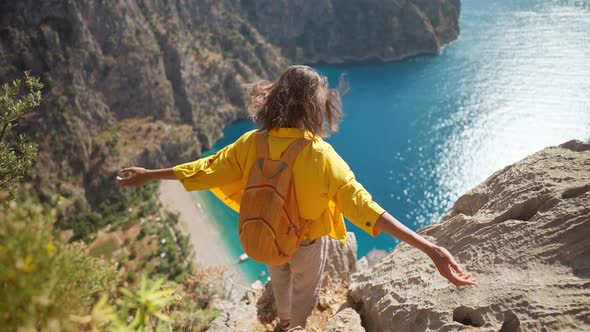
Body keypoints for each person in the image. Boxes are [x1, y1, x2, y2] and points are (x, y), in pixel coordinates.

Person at [116, 65, 476, 330]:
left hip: (264, 233)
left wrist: (151, 175)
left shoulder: (251, 143)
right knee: (306, 288)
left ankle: (285, 319)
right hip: (304, 242)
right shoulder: (320, 157)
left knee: (280, 279)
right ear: (313, 107)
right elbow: (365, 208)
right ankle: (295, 326)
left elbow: (205, 169)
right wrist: (431, 249)